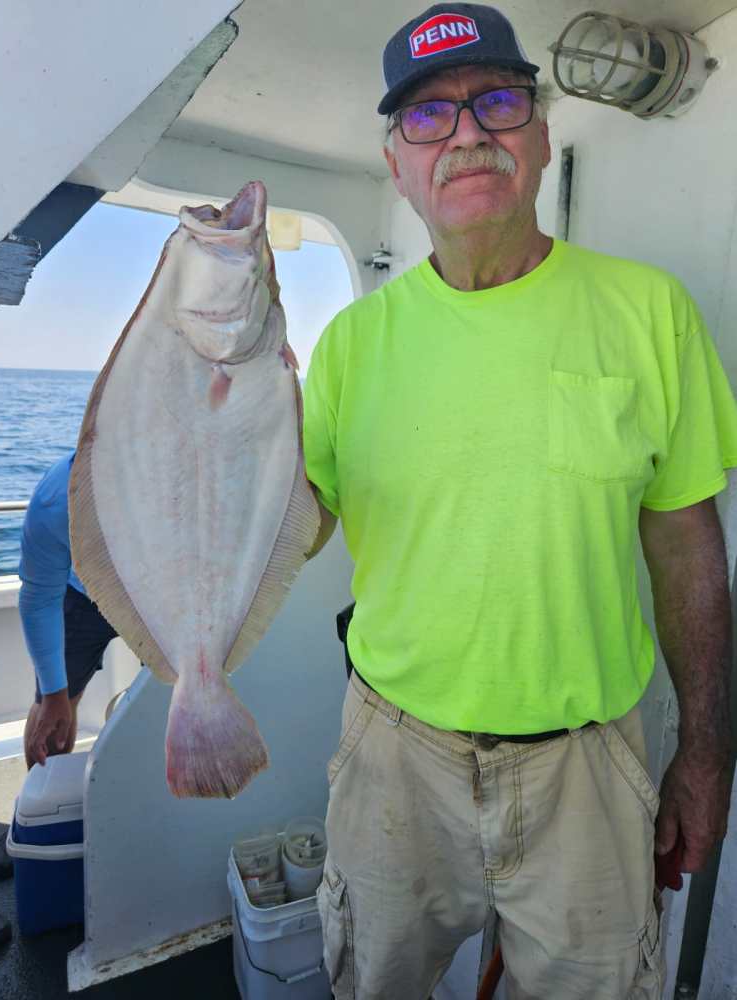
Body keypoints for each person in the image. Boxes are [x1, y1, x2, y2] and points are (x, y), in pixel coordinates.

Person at [302, 4, 737, 998]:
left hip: (589, 767)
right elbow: (288, 531)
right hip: (391, 757)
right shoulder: (349, 347)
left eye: (495, 102)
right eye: (428, 118)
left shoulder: (652, 312)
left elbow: (687, 548)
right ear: (397, 163)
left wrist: (708, 751)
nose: (465, 134)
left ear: (540, 140)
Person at [0, 452, 117, 882]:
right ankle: (37, 821)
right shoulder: (55, 500)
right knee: (52, 709)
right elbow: (39, 598)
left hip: (159, 595)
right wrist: (55, 694)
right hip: (83, 598)